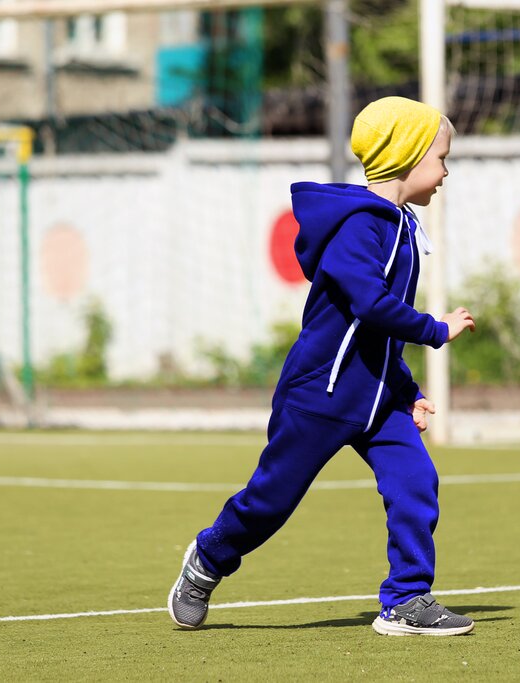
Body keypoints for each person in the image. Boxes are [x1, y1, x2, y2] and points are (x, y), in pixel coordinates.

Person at [168, 96, 476, 636]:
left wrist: (404, 390)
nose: (446, 172)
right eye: (441, 158)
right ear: (406, 158)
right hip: (321, 396)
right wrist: (435, 330)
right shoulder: (360, 227)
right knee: (270, 501)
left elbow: (373, 334)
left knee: (416, 480)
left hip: (377, 400)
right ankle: (208, 558)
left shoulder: (402, 227)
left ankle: (406, 600)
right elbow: (369, 305)